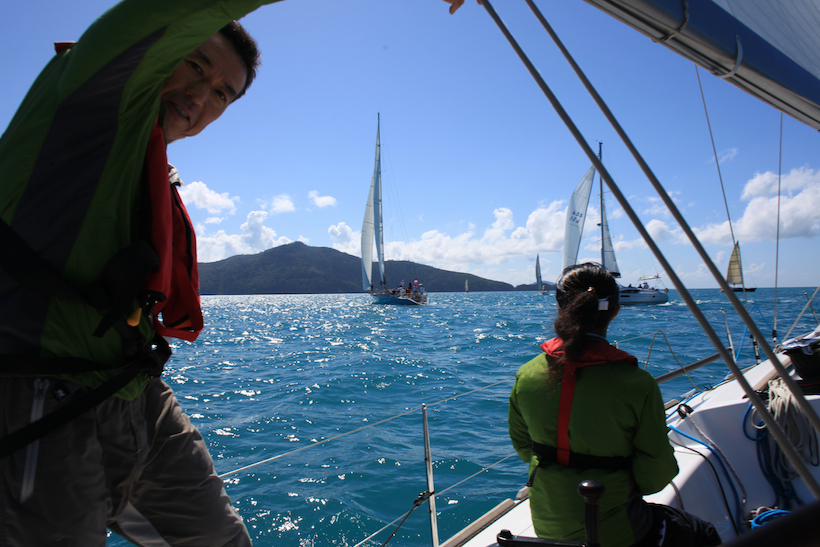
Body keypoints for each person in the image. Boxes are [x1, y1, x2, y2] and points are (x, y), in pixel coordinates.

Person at [0, 2, 283, 545]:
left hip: (133, 392)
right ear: (159, 51)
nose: (199, 95)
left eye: (221, 94)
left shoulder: (149, 163)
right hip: (36, 393)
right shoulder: (89, 97)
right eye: (194, 65)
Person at [508, 263, 720, 547]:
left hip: (548, 524)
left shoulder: (526, 374)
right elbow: (656, 476)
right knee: (702, 533)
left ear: (561, 308)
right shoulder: (637, 384)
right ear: (615, 311)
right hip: (618, 531)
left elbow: (524, 448)